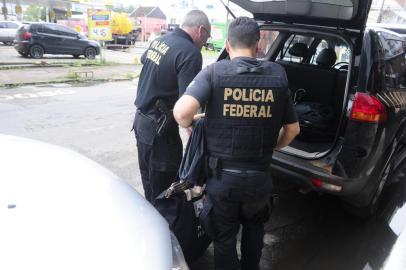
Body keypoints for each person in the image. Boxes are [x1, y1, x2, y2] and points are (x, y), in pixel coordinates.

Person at [173, 17, 300, 270]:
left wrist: (198, 121)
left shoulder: (214, 71)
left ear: (228, 45)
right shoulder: (278, 75)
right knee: (254, 232)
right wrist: (273, 146)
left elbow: (181, 113)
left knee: (224, 239)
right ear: (259, 45)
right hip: (259, 179)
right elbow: (293, 129)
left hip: (223, 181)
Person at [132, 10, 211, 205]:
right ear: (201, 30)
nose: (205, 42)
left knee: (149, 183)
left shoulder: (162, 40)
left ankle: (151, 224)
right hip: (160, 132)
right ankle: (165, 233)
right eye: (207, 36)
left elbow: (145, 59)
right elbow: (187, 103)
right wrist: (194, 130)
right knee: (166, 191)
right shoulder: (190, 53)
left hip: (141, 122)